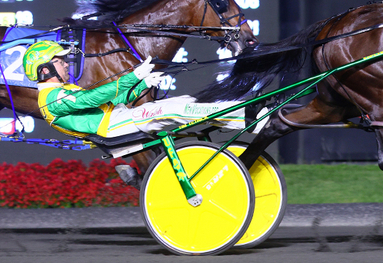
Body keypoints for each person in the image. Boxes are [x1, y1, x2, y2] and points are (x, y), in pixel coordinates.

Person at [22, 40, 245, 187]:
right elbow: (93, 98)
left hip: (117, 119)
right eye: (60, 62)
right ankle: (243, 117)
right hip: (112, 129)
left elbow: (113, 100)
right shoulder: (50, 98)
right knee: (174, 109)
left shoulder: (62, 90)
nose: (66, 65)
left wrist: (142, 84)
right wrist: (133, 76)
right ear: (45, 70)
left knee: (182, 102)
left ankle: (233, 117)